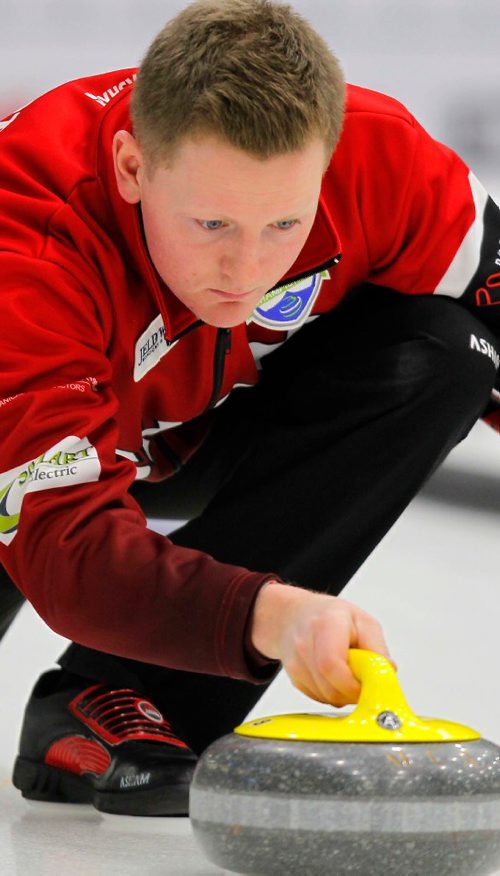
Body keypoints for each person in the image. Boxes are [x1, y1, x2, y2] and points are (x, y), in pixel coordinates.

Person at [1, 0, 499, 818]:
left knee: (448, 354)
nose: (248, 269)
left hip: (188, 425)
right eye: (212, 223)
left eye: (284, 224)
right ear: (131, 168)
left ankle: (122, 693)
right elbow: (63, 545)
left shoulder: (379, 158)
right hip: (18, 450)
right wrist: (271, 614)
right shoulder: (26, 249)